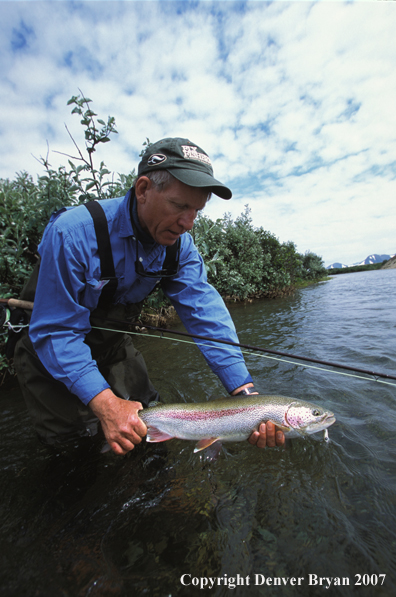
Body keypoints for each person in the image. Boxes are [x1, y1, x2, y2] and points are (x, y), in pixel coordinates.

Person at [14, 137, 285, 454]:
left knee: (150, 430)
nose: (188, 223)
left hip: (113, 346)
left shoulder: (181, 248)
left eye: (197, 210)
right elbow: (56, 330)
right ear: (143, 190)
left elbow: (206, 315)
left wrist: (244, 395)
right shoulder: (72, 233)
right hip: (49, 348)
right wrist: (106, 403)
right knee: (74, 449)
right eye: (180, 206)